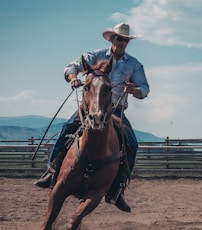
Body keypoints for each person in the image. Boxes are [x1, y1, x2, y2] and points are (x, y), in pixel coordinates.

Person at [34, 23, 150, 213]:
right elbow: (72, 66)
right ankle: (52, 170)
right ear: (112, 39)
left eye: (126, 40)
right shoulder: (96, 55)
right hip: (89, 107)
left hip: (115, 110)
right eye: (119, 38)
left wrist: (135, 90)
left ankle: (118, 188)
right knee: (68, 128)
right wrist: (73, 77)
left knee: (131, 143)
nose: (122, 42)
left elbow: (145, 89)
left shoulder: (134, 65)